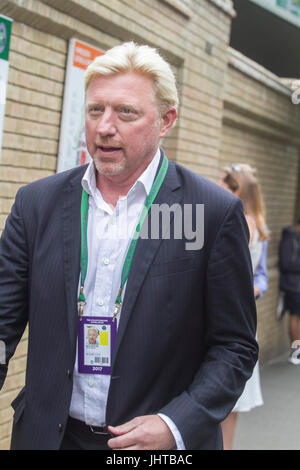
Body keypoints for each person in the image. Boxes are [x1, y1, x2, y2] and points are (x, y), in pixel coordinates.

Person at [0, 42, 258, 450]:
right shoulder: (38, 204)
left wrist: (176, 424)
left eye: (126, 112)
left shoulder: (207, 212)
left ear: (165, 120)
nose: (105, 126)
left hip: (153, 449)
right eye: (95, 110)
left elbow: (235, 347)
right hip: (50, 438)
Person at [219, 163, 269, 450]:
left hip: (228, 315)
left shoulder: (236, 221)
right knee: (233, 404)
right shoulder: (257, 223)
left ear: (235, 189)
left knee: (221, 398)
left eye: (222, 185)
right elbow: (257, 274)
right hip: (245, 317)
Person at [279, 218, 300, 364]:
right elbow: (286, 263)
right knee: (294, 317)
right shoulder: (289, 237)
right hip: (293, 286)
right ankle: (295, 353)